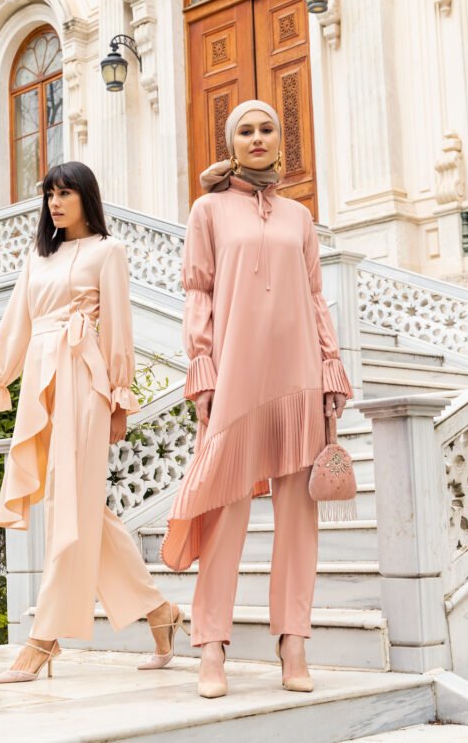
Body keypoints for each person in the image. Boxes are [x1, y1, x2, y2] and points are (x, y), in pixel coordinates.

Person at [161, 101, 354, 698]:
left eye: (267, 128)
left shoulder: (300, 217)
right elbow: (198, 292)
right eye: (245, 130)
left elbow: (316, 296)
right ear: (232, 143)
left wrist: (330, 364)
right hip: (237, 377)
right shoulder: (208, 210)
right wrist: (202, 367)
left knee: (298, 515)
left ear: (279, 139)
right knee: (226, 509)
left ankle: (293, 642)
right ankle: (210, 644)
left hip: (298, 374)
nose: (257, 137)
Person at [0, 161, 185, 684]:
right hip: (39, 383)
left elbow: (119, 329)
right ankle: (161, 612)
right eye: (49, 195)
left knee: (70, 507)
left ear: (86, 197)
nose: (55, 203)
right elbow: (17, 324)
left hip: (85, 383)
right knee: (79, 507)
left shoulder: (109, 251)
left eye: (65, 193)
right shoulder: (37, 256)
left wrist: (119, 399)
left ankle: (43, 638)